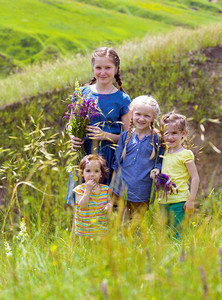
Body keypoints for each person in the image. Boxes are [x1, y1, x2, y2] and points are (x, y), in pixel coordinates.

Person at [66, 47, 131, 205]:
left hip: (107, 158)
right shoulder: (81, 93)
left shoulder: (122, 99)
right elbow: (71, 124)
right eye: (98, 67)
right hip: (83, 155)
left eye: (108, 68)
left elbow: (129, 136)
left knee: (102, 204)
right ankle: (80, 230)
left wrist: (106, 136)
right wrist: (72, 137)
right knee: (81, 202)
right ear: (93, 68)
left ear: (116, 69)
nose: (103, 72)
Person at [110, 95, 164, 222]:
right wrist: (111, 189)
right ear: (131, 114)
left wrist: (157, 169)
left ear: (153, 118)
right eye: (138, 114)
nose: (141, 119)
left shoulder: (157, 139)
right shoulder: (125, 136)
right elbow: (116, 164)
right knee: (121, 226)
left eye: (147, 116)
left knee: (137, 228)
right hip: (120, 191)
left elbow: (160, 161)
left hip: (142, 192)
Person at [158, 112, 200, 239]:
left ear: (183, 133)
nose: (170, 137)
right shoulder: (163, 152)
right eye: (166, 133)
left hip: (179, 201)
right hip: (163, 200)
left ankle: (179, 256)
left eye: (174, 133)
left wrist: (191, 199)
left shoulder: (185, 154)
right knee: (165, 232)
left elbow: (195, 177)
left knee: (177, 233)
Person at [73, 154, 111, 237]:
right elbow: (82, 206)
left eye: (96, 171)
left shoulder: (105, 189)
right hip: (84, 231)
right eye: (88, 171)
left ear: (101, 174)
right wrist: (88, 190)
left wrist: (108, 205)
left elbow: (110, 202)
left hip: (100, 231)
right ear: (82, 173)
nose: (92, 174)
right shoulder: (79, 190)